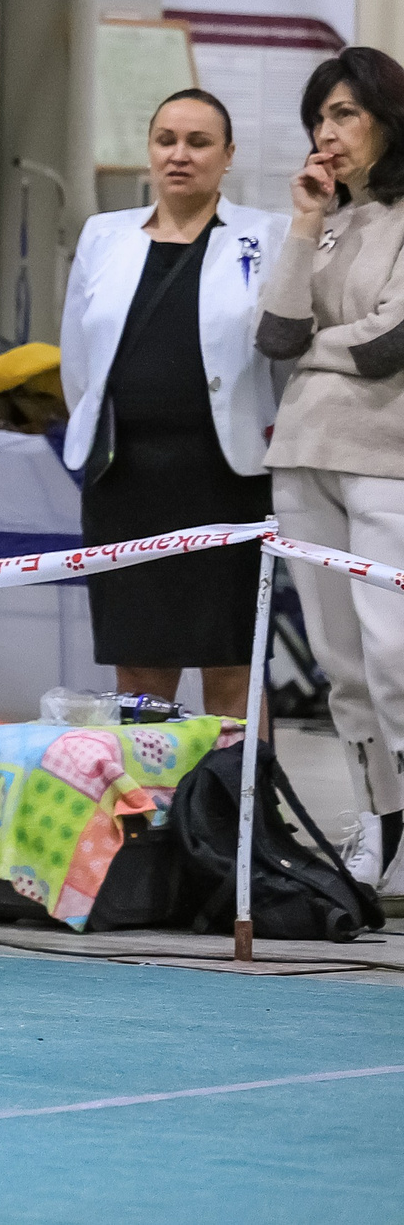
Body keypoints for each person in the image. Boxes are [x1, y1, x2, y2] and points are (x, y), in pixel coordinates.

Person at [61, 88, 286, 714]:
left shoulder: (267, 235)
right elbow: (77, 362)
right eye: (166, 140)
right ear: (150, 151)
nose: (179, 155)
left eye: (198, 142)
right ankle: (150, 809)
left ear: (228, 154)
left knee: (233, 661)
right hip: (126, 479)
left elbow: (287, 357)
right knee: (139, 661)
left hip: (227, 475)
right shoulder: (103, 236)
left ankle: (239, 808)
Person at [258, 47, 404, 894]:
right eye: (319, 116)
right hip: (302, 458)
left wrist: (316, 349)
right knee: (342, 664)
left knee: (395, 656)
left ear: (387, 117)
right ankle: (378, 822)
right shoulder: (328, 220)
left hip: (386, 460)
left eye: (344, 113)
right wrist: (305, 223)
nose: (327, 132)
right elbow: (276, 335)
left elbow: (392, 344)